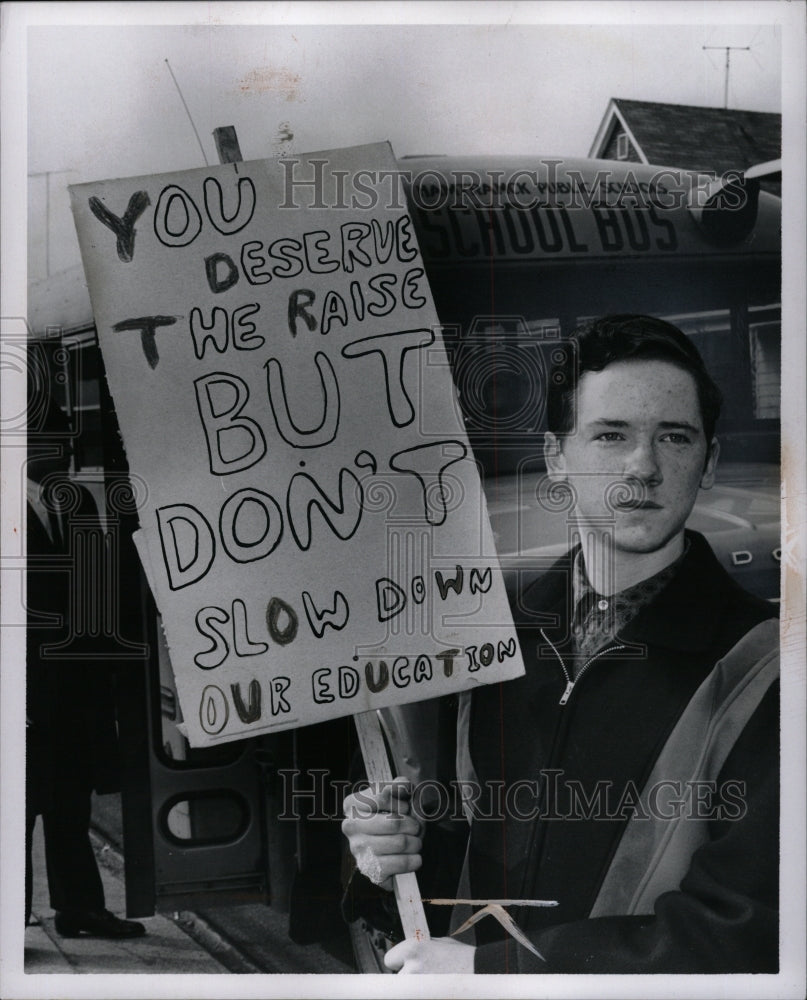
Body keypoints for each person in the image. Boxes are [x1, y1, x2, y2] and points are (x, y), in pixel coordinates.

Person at [342, 314, 779, 974]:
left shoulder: (768, 666)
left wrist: (492, 973)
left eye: (674, 436)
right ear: (554, 457)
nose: (644, 466)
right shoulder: (487, 638)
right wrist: (389, 860)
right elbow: (456, 863)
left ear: (708, 461)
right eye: (610, 436)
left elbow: (745, 930)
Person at [26, 398, 145, 939]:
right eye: (51, 444)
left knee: (70, 809)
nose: (65, 455)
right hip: (25, 695)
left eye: (67, 443)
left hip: (74, 694)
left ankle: (80, 910)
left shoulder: (73, 505)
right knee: (18, 811)